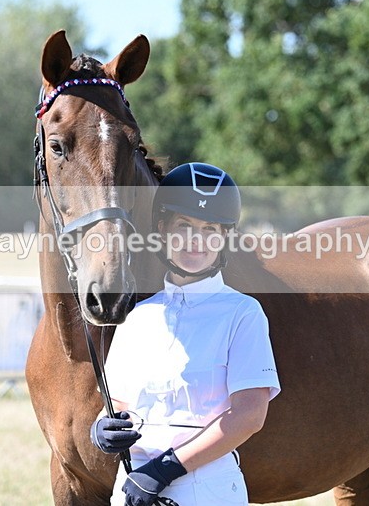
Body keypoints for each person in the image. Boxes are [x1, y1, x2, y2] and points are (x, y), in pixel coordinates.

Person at [91, 163, 281, 506]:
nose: (197, 240)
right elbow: (119, 403)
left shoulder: (242, 314)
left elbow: (249, 415)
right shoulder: (137, 316)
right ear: (162, 229)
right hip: (134, 487)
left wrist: (165, 470)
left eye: (210, 228)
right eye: (185, 226)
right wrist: (102, 428)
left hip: (204, 489)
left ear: (224, 236)